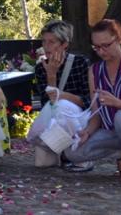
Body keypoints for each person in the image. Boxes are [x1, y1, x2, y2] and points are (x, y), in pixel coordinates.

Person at [64, 19, 121, 177]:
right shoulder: (94, 71)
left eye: (106, 45)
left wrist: (116, 103)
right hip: (112, 132)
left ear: (119, 39)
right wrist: (87, 132)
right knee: (73, 152)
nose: (101, 51)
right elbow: (96, 113)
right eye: (96, 47)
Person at [27, 20, 91, 167]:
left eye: (52, 42)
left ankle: (75, 152)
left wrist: (62, 96)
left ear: (64, 44)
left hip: (77, 117)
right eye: (44, 41)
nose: (46, 46)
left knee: (62, 105)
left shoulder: (80, 63)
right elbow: (48, 104)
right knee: (42, 165)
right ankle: (58, 149)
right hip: (54, 117)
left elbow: (88, 101)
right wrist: (51, 75)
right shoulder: (41, 68)